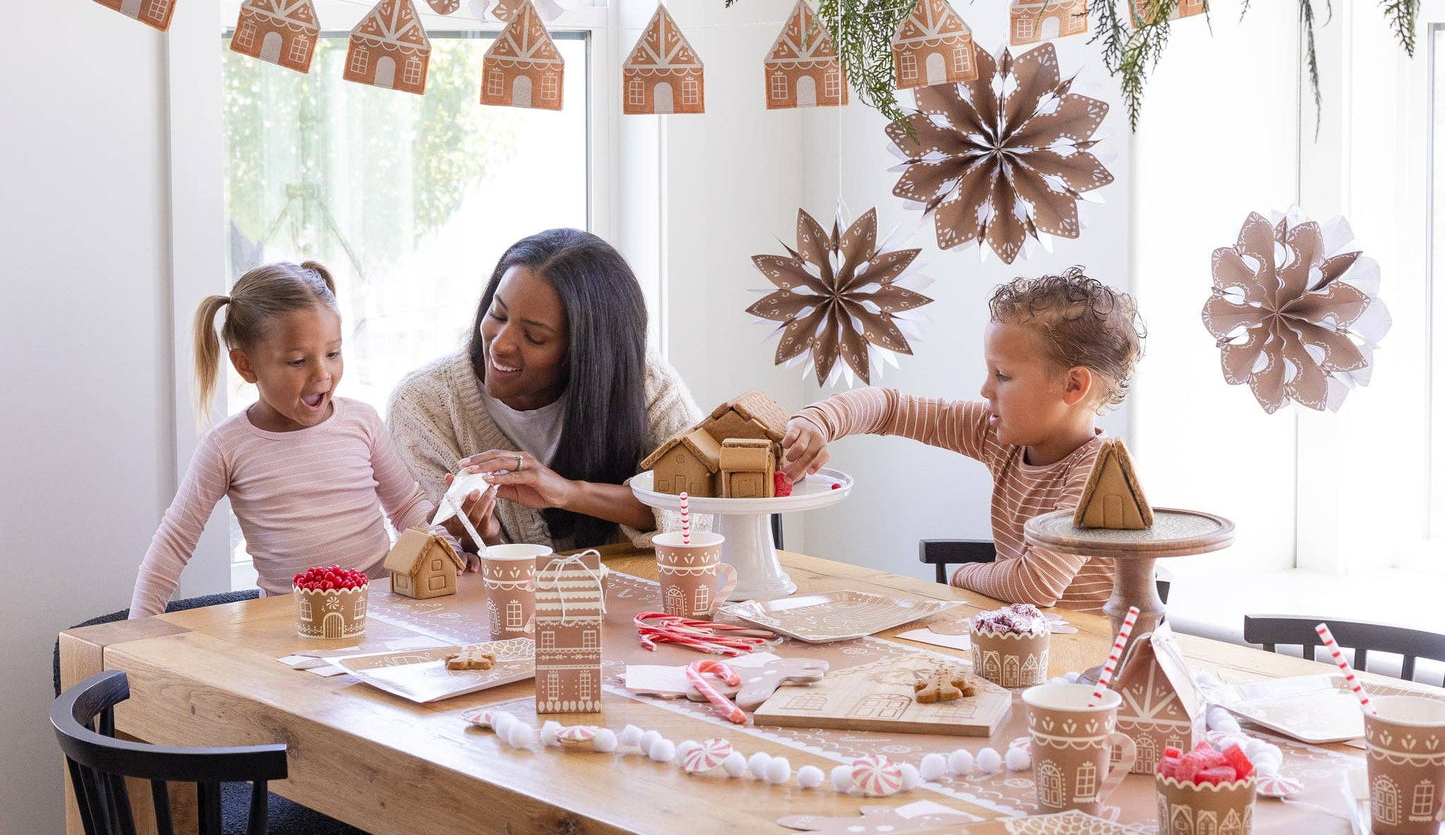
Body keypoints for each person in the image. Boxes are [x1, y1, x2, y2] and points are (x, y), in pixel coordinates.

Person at [782, 267, 1145, 609]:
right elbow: (889, 408)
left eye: (1003, 375)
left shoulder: (1098, 475)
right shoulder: (999, 436)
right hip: (1025, 640)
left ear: (1073, 385)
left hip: (1086, 657)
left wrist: (961, 574)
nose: (986, 389)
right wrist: (820, 421)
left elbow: (1035, 585)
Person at [130, 261, 436, 618]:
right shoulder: (226, 447)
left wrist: (443, 543)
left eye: (333, 353)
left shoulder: (362, 421)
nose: (322, 373)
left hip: (379, 616)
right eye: (297, 361)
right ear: (246, 366)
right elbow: (173, 545)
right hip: (287, 629)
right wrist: (137, 634)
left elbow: (405, 507)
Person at [388, 228, 701, 553]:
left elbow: (699, 507)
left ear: (586, 352)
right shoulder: (424, 405)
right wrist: (482, 540)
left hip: (638, 595)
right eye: (497, 314)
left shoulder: (643, 379)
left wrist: (568, 492)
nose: (500, 344)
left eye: (535, 337)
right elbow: (435, 556)